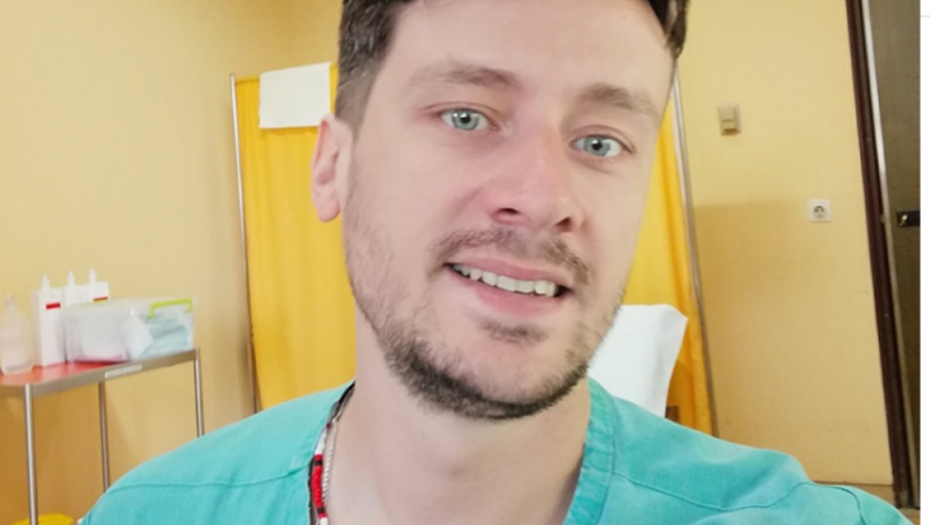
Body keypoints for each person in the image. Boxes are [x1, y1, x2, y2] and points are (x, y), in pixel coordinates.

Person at [84, 0, 911, 523]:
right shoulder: (150, 512)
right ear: (332, 165)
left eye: (600, 140)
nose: (545, 196)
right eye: (467, 116)